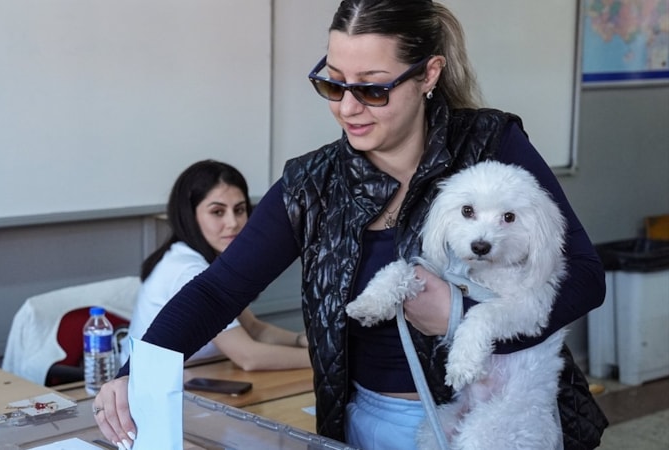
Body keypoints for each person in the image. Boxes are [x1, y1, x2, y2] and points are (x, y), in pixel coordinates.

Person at [94, 2, 607, 449]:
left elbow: (584, 275)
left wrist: (460, 315)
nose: (347, 107)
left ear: (429, 75)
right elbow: (218, 290)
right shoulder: (313, 182)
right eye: (332, 82)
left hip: (501, 419)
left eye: (372, 89)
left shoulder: (490, 143)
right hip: (367, 421)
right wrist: (136, 370)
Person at [118, 159, 310, 372]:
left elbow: (255, 329)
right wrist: (328, 362)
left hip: (200, 380)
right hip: (151, 393)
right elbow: (249, 357)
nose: (233, 223)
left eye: (239, 210)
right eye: (217, 212)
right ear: (190, 216)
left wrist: (303, 341)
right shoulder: (187, 269)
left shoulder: (209, 260)